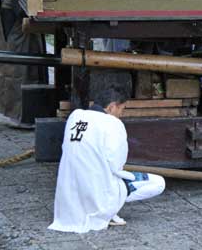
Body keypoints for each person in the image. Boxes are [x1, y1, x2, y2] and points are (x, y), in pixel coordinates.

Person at [48, 85, 165, 233]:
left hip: (68, 199)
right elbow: (116, 166)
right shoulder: (113, 123)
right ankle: (107, 210)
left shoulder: (75, 116)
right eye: (121, 109)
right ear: (111, 107)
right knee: (158, 182)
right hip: (98, 195)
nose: (121, 114)